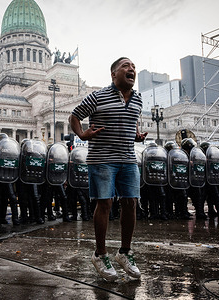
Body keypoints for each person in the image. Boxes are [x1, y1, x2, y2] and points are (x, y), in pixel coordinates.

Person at [69, 57, 147, 282]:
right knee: (105, 203)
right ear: (113, 74)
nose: (131, 69)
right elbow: (74, 116)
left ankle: (124, 252)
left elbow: (131, 121)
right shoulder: (98, 96)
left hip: (127, 158)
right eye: (125, 66)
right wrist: (82, 134)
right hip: (102, 158)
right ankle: (100, 254)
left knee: (131, 202)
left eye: (133, 66)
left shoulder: (138, 99)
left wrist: (136, 135)